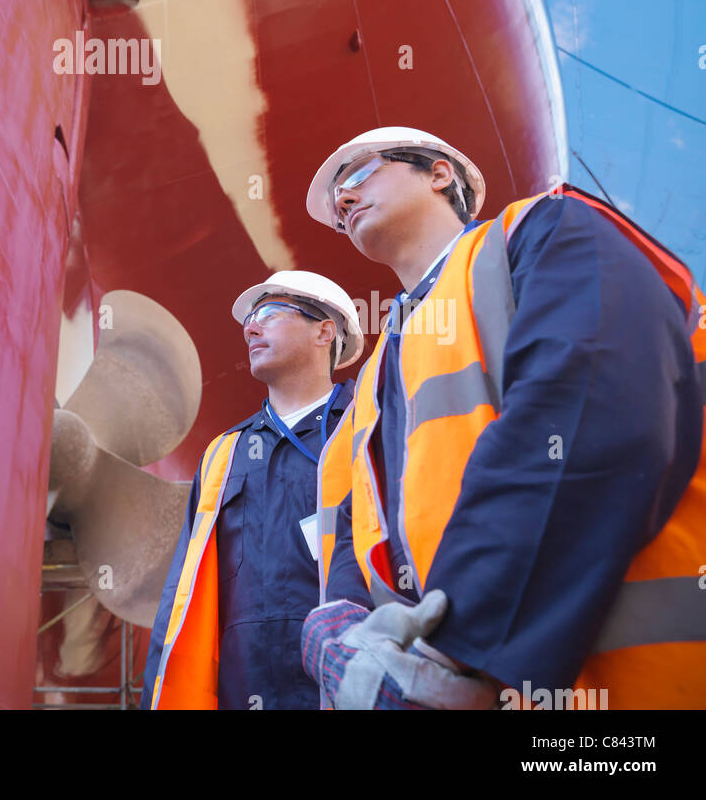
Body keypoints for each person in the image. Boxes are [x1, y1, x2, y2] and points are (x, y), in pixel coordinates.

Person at [297, 126, 706, 710]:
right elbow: (355, 529)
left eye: (358, 176)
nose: (343, 200)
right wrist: (347, 629)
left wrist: (452, 652)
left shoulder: (544, 231)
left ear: (439, 172)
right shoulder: (372, 378)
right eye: (338, 209)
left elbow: (591, 404)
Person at [142, 272, 362, 710]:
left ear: (324, 331)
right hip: (242, 687)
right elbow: (181, 596)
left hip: (349, 677)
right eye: (250, 319)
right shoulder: (224, 455)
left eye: (269, 313)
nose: (251, 327)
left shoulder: (367, 427)